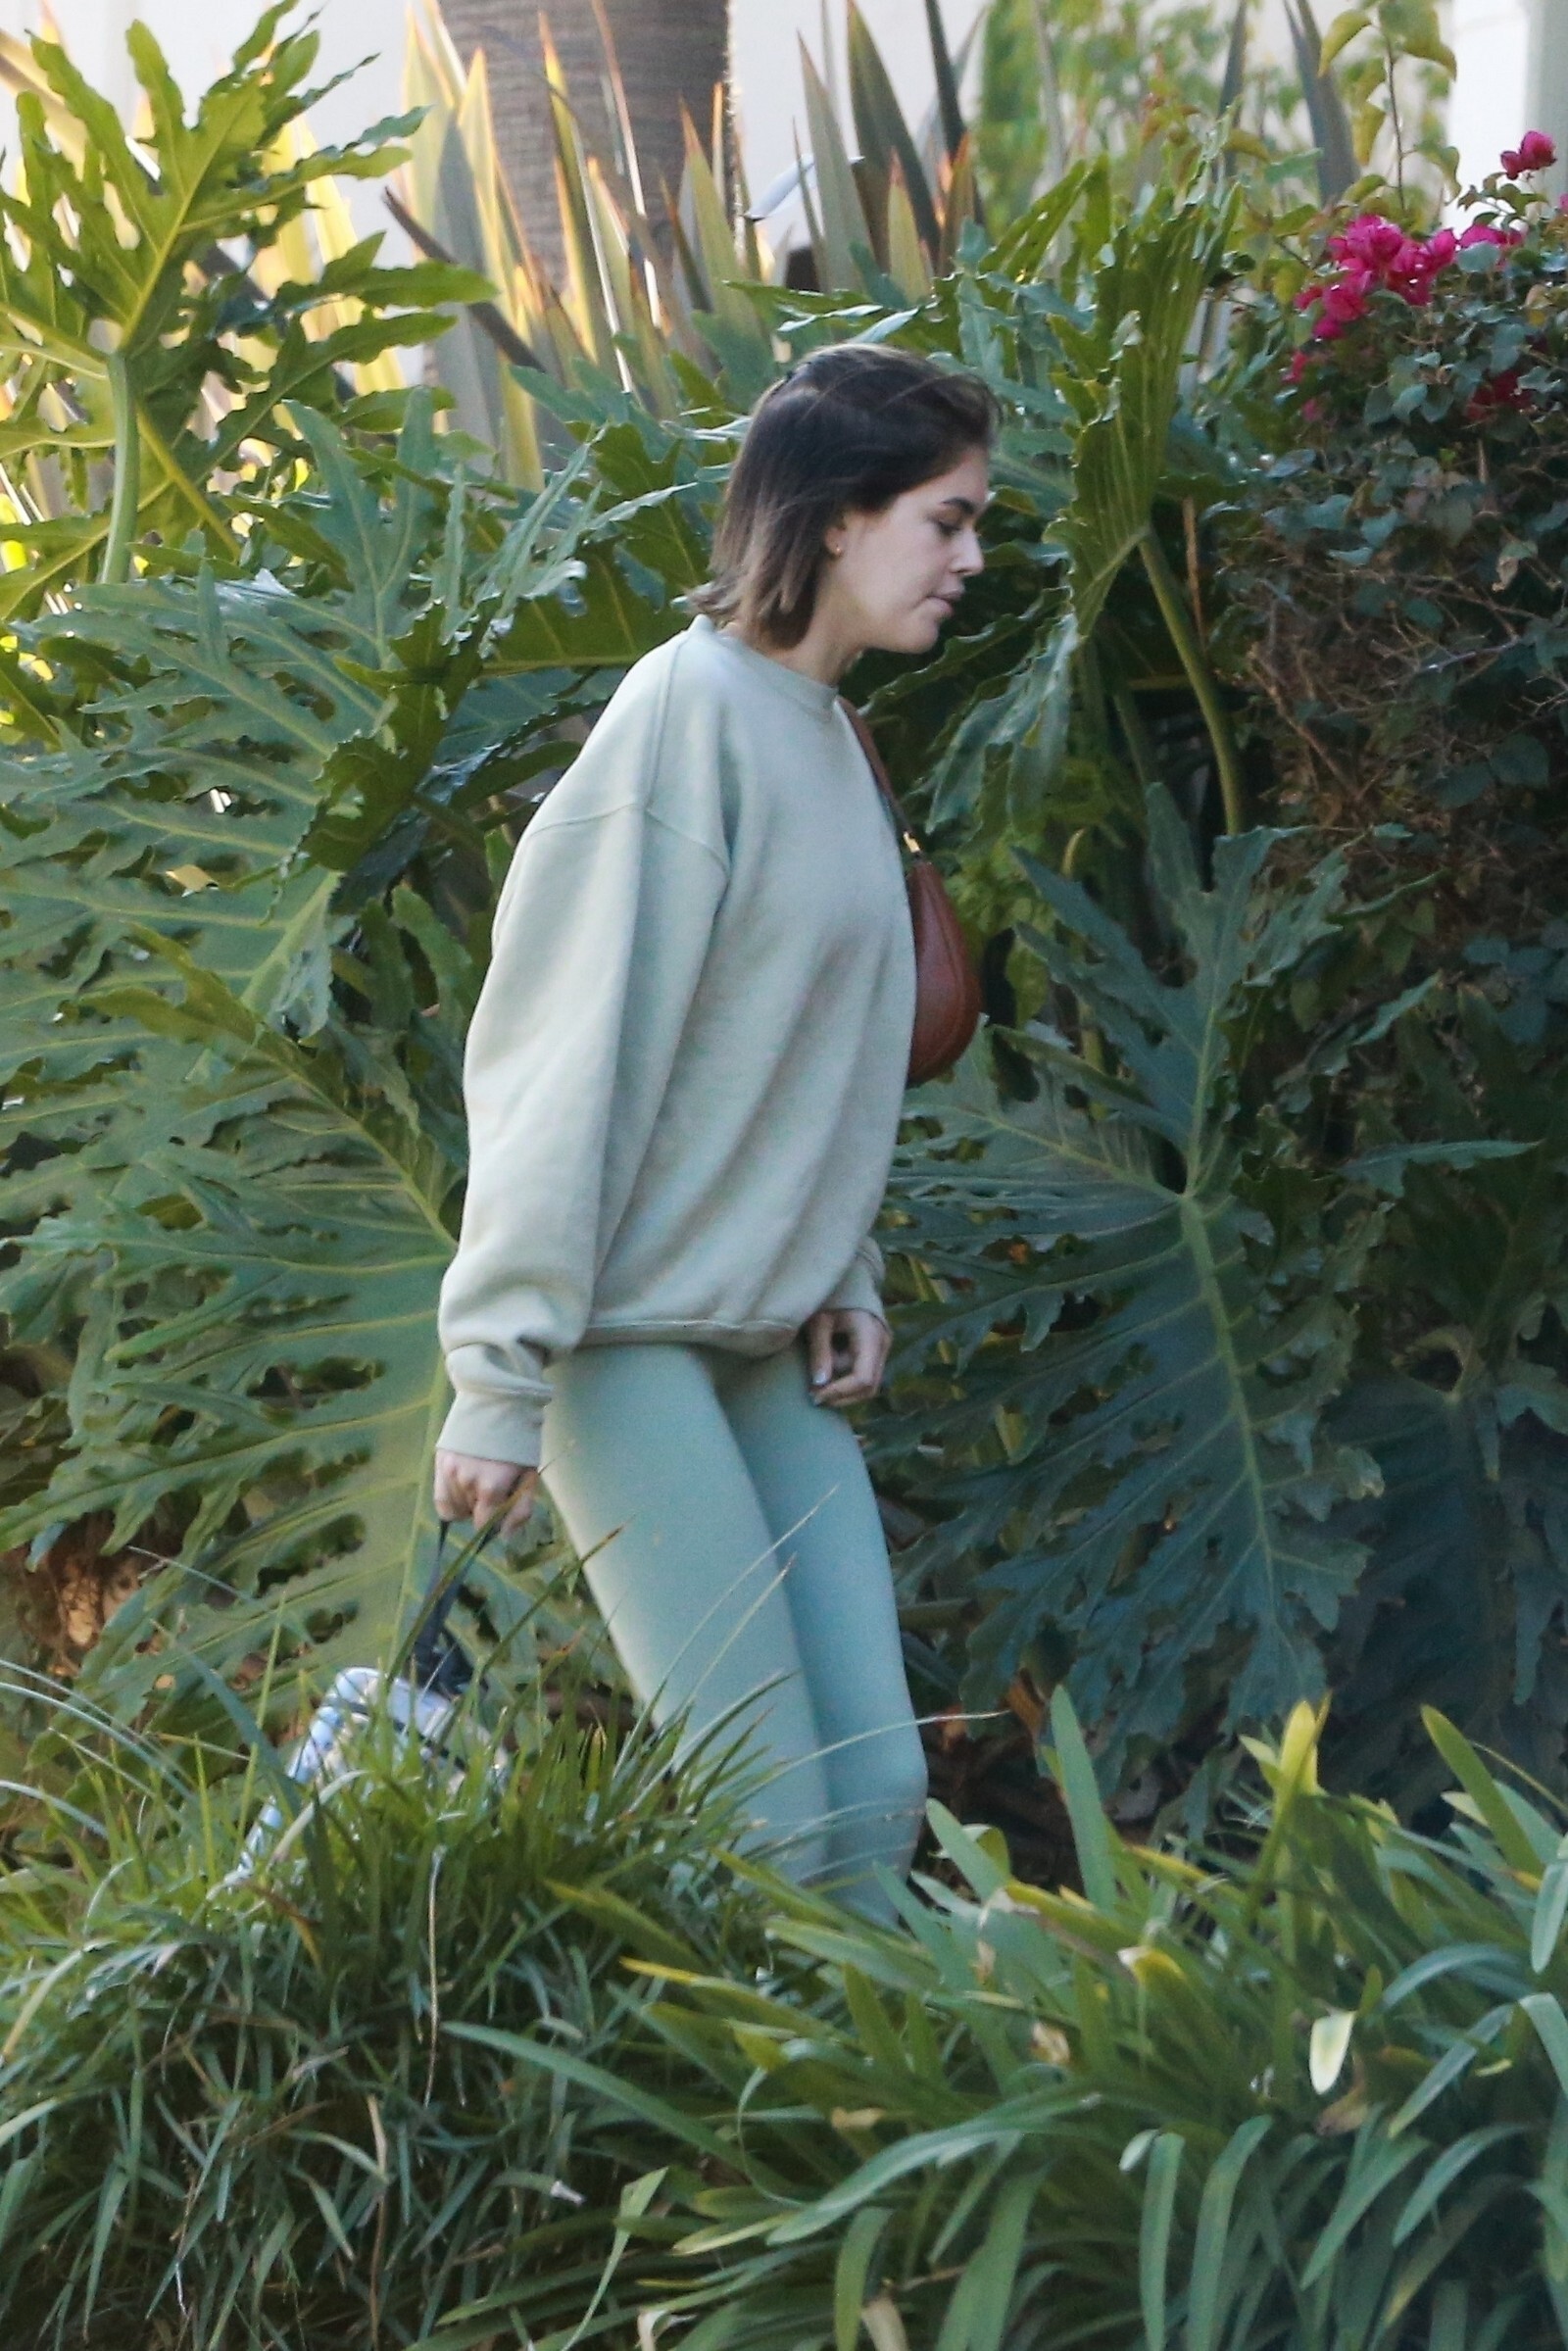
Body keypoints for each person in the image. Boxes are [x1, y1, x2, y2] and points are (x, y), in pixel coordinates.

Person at [433, 344, 996, 1915]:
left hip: (761, 1335)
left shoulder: (831, 733)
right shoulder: (683, 718)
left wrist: (844, 1271)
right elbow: (566, 1059)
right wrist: (497, 1376)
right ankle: (753, 2080)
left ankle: (900, 2072)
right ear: (836, 517)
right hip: (624, 1342)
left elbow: (807, 1054)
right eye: (947, 520)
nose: (969, 558)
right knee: (769, 1817)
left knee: (874, 1794)